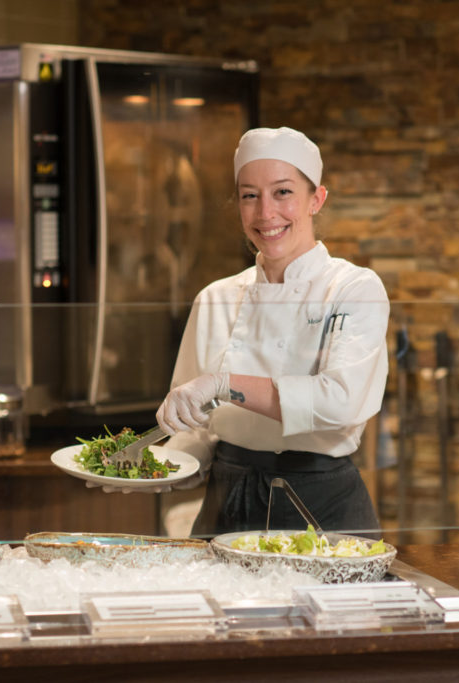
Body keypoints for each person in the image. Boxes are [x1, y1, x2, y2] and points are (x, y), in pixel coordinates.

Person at [153, 126, 390, 538]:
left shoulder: (354, 289)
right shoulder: (215, 298)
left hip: (320, 505)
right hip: (226, 502)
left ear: (317, 199)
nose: (265, 214)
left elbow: (341, 404)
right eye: (250, 195)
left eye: (283, 192)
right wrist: (154, 470)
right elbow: (196, 426)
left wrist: (224, 384)